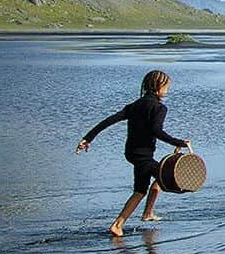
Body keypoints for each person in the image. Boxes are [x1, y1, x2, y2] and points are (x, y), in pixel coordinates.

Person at [76, 70, 191, 236]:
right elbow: (156, 130)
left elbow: (109, 120)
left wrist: (88, 138)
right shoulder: (159, 108)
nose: (167, 90)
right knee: (150, 184)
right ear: (158, 87)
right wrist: (179, 142)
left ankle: (146, 214)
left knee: (153, 181)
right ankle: (119, 224)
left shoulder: (135, 105)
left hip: (131, 152)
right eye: (166, 87)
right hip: (143, 156)